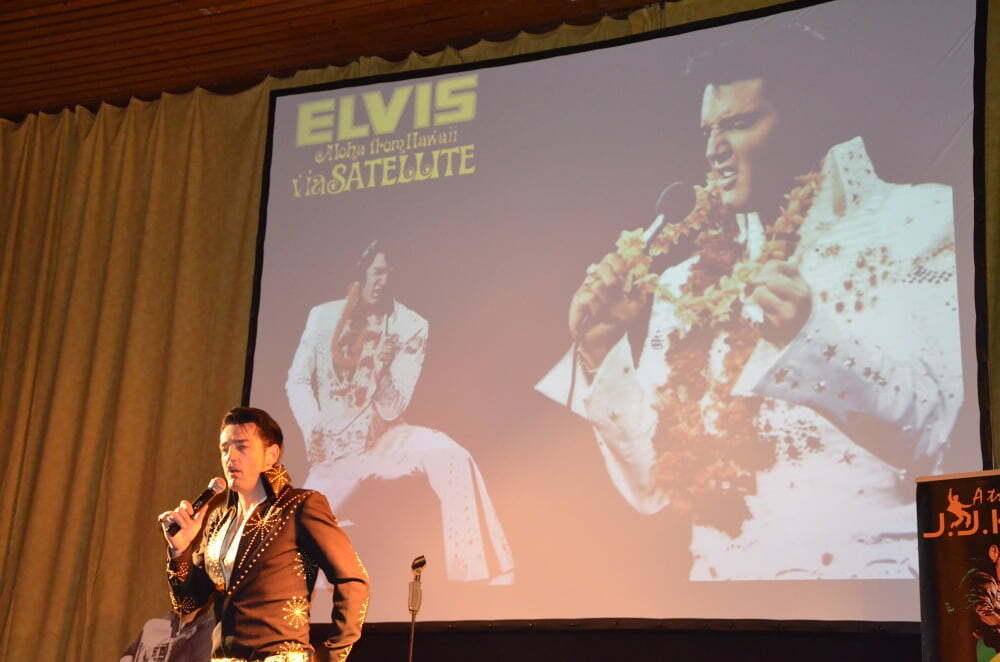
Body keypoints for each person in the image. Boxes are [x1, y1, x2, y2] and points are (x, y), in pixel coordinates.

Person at [536, 26, 962, 580]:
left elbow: (939, 442)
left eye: (738, 124)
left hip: (871, 596)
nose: (713, 150)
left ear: (806, 120)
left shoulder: (916, 224)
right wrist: (602, 352)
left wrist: (811, 339)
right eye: (708, 130)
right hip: (725, 604)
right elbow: (654, 488)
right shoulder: (689, 282)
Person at [286, 241, 514, 584]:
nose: (383, 281)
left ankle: (474, 571)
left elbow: (394, 406)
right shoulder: (323, 316)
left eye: (390, 274)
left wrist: (380, 370)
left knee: (450, 453)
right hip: (333, 451)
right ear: (364, 271)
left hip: (384, 441)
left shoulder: (411, 325)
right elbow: (298, 380)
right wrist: (312, 428)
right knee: (298, 550)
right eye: (378, 272)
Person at [159, 407, 369, 662]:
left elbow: (353, 580)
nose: (230, 457)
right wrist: (180, 550)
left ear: (271, 455)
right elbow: (187, 604)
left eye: (241, 447)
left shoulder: (299, 506)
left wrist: (331, 656)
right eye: (225, 449)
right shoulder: (218, 520)